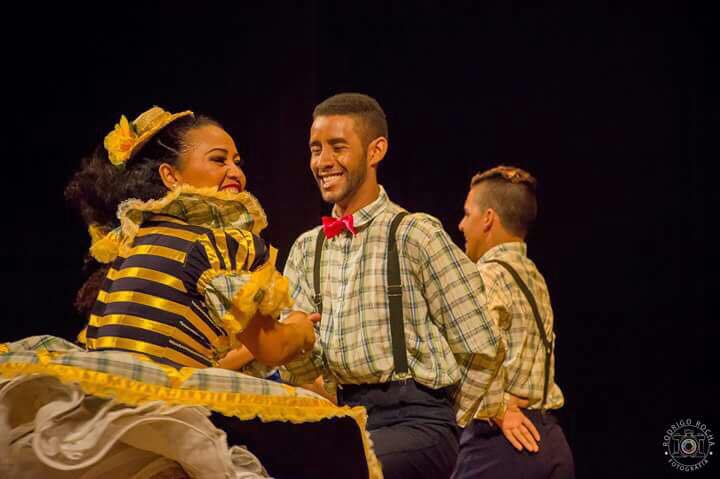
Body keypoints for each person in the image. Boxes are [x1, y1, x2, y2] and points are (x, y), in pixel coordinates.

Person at [0, 106, 381, 479]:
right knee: (328, 440)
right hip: (160, 416)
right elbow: (272, 346)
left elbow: (176, 344)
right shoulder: (216, 244)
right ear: (170, 175)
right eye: (218, 160)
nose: (235, 171)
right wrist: (299, 328)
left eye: (237, 162)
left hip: (101, 415)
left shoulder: (135, 241)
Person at [279, 93, 507, 479]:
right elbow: (300, 369)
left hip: (418, 420)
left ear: (376, 151)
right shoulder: (306, 249)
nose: (323, 161)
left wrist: (451, 419)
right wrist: (293, 341)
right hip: (349, 419)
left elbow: (481, 344)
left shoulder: (414, 234)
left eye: (338, 147)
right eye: (316, 149)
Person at [452, 166, 575, 478]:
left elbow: (475, 355)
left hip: (504, 444)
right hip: (552, 442)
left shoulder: (486, 276)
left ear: (488, 219)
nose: (461, 224)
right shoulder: (535, 277)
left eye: (467, 214)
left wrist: (497, 408)